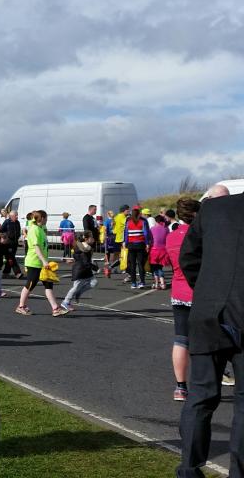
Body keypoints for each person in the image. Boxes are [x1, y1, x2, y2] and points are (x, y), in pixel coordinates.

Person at [177, 191, 244, 477]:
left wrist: (207, 292)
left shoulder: (214, 208)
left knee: (201, 395)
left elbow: (189, 258)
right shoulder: (215, 208)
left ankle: (189, 468)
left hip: (207, 312)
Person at [167, 197, 200, 402]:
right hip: (198, 291)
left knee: (181, 339)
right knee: (209, 338)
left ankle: (180, 387)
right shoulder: (200, 235)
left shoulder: (172, 237)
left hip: (178, 290)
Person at [16, 210, 68, 316]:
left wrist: (45, 261)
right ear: (43, 218)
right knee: (30, 284)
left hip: (43, 262)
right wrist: (44, 261)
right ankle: (21, 306)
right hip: (34, 262)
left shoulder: (40, 229)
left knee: (48, 284)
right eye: (46, 217)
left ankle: (55, 309)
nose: (47, 219)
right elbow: (36, 248)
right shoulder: (34, 230)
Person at [61, 231, 98, 312]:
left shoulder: (85, 247)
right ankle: (66, 302)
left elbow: (77, 257)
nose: (93, 239)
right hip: (80, 270)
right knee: (75, 287)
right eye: (91, 237)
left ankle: (78, 292)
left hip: (85, 270)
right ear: (86, 239)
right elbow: (85, 262)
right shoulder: (84, 249)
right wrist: (96, 268)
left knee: (94, 282)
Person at [124, 205, 152, 289]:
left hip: (131, 245)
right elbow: (146, 233)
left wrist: (125, 242)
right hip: (140, 244)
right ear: (139, 213)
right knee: (140, 264)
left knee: (132, 264)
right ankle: (142, 282)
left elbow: (126, 233)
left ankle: (133, 283)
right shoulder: (143, 221)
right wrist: (147, 243)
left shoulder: (128, 221)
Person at [1, 211, 24, 279]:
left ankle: (5, 273)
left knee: (10, 258)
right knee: (11, 258)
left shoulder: (17, 222)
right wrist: (4, 238)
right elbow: (1, 230)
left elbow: (19, 231)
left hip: (15, 243)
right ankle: (18, 273)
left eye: (17, 215)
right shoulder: (7, 222)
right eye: (15, 215)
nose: (17, 216)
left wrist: (18, 237)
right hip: (8, 243)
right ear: (11, 216)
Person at [149, 214, 170, 289]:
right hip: (163, 250)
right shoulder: (166, 229)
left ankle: (156, 283)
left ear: (156, 221)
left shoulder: (152, 229)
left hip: (154, 250)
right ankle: (162, 283)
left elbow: (150, 240)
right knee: (160, 267)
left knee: (154, 267)